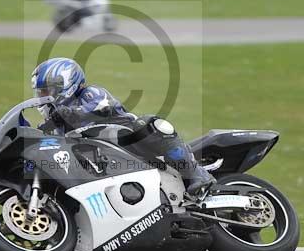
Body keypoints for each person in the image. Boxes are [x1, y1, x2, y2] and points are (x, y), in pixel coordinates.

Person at [31, 57, 216, 195]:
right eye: (40, 92)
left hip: (127, 137)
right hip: (106, 162)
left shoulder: (89, 93)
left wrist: (69, 113)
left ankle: (196, 173)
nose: (42, 97)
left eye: (47, 91)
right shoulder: (57, 123)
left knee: (152, 124)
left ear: (66, 84)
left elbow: (100, 106)